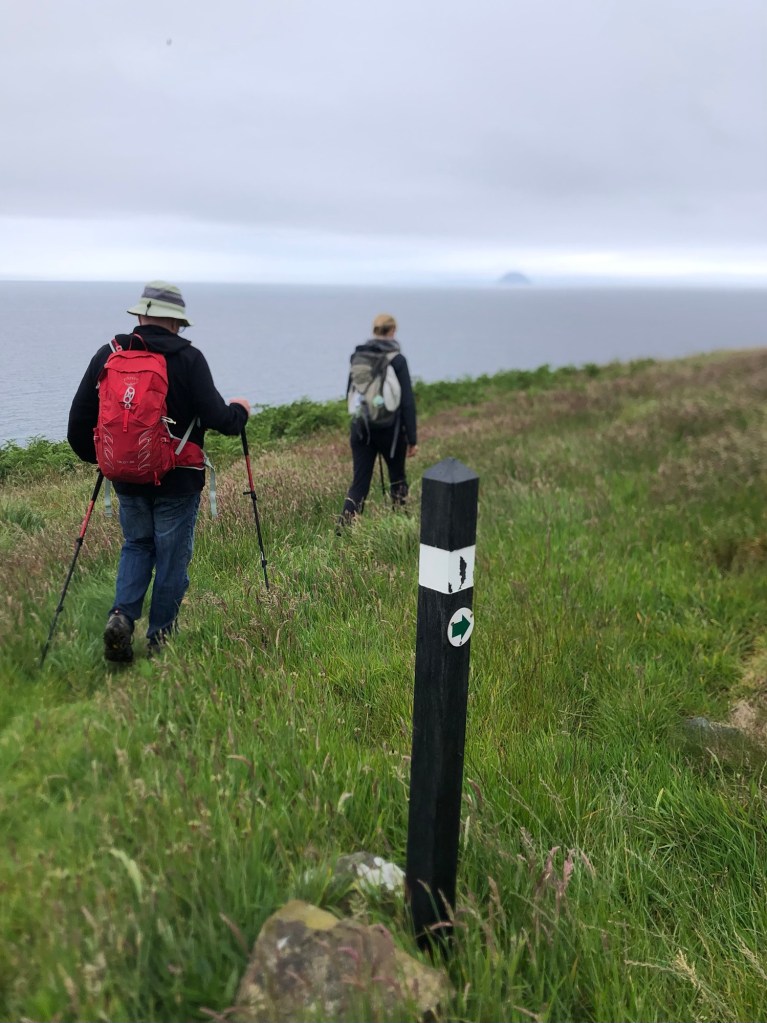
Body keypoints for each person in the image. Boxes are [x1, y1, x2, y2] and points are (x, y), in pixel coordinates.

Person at [67, 281, 251, 662]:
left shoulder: (110, 353)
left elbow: (77, 424)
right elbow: (221, 418)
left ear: (141, 316)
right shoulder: (189, 359)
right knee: (171, 558)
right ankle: (159, 641)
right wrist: (241, 411)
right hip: (178, 481)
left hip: (126, 476)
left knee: (137, 544)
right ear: (176, 322)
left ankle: (121, 617)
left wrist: (104, 460)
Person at [338, 313, 418, 526]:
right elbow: (407, 402)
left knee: (359, 484)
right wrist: (412, 439)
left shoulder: (358, 357)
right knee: (398, 480)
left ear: (374, 331)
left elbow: (350, 393)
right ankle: (400, 527)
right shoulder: (397, 360)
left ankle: (343, 531)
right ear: (393, 331)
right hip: (391, 430)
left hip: (361, 427)